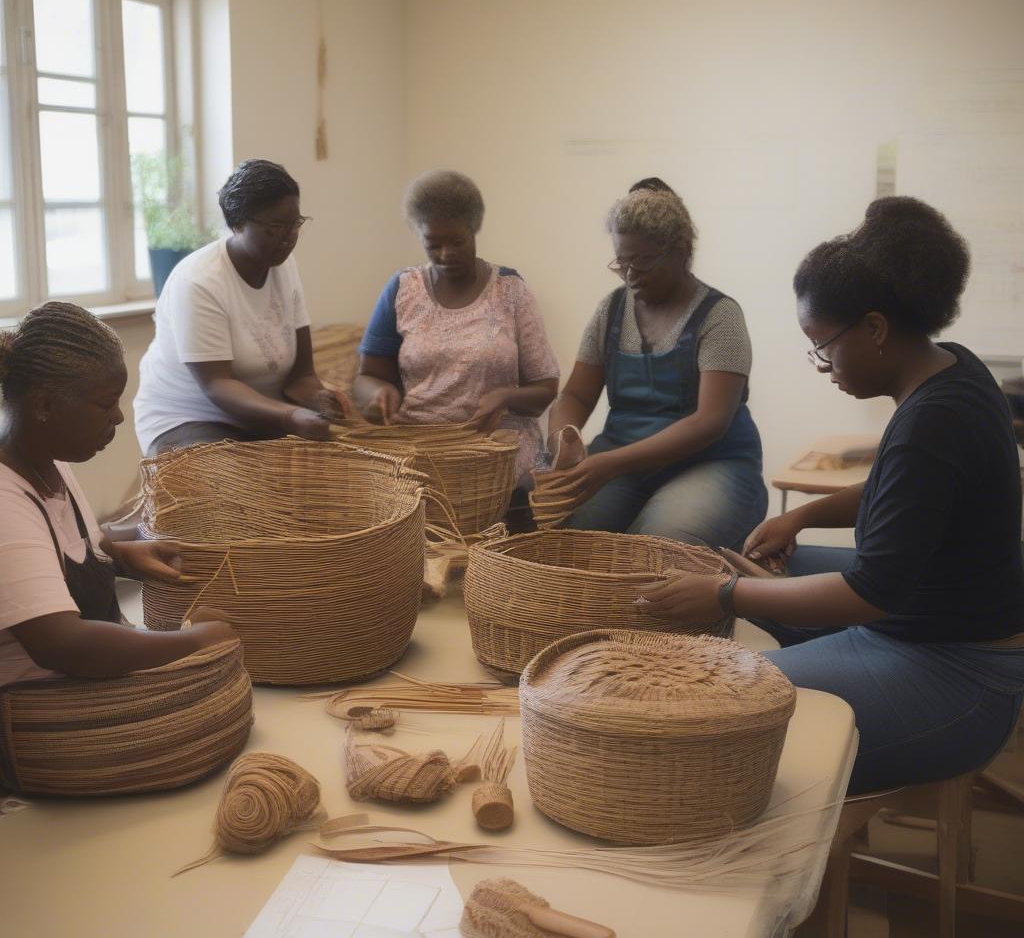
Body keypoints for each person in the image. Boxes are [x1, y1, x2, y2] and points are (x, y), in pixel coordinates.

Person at [636, 197, 1024, 795]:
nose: (822, 366)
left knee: (714, 700)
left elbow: (871, 593)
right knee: (752, 570)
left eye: (823, 346)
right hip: (928, 618)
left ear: (874, 329)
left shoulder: (932, 423)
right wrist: (806, 518)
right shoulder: (955, 371)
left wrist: (730, 596)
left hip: (957, 670)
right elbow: (903, 489)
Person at [0, 302, 236, 688]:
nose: (119, 418)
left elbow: (68, 545)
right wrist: (193, 640)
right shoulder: (5, 501)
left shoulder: (48, 463)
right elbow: (64, 646)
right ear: (43, 404)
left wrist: (120, 555)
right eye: (105, 404)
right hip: (42, 718)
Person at [544, 181, 767, 549]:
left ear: (680, 252)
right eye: (622, 262)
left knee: (661, 545)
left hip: (710, 462)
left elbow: (709, 423)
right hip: (622, 458)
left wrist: (611, 464)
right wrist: (561, 438)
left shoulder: (720, 316)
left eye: (644, 262)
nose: (631, 275)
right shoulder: (611, 309)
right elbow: (576, 396)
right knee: (568, 535)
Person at [354, 169, 560, 488]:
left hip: (500, 450)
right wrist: (379, 395)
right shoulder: (402, 288)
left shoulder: (510, 289)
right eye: (433, 245)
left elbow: (545, 389)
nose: (446, 254)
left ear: (474, 228)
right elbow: (368, 376)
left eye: (457, 241)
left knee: (523, 493)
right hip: (420, 449)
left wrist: (505, 397)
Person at [134, 159, 349, 457]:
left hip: (262, 415)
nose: (288, 239)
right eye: (274, 228)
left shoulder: (283, 267)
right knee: (233, 487)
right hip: (190, 418)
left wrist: (320, 399)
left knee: (328, 472)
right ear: (237, 224)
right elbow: (218, 384)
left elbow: (301, 376)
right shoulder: (200, 281)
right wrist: (291, 416)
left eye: (295, 225)